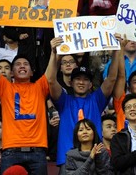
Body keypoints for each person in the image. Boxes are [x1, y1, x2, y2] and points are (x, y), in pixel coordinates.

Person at [48, 36, 119, 173]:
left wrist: (116, 51)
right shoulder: (64, 101)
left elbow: (111, 78)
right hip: (68, 158)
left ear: (91, 84)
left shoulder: (97, 99)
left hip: (96, 157)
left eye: (85, 79)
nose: (81, 82)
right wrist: (54, 53)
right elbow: (50, 80)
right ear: (70, 83)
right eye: (77, 79)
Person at [0, 42, 58, 174]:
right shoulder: (5, 87)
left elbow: (50, 76)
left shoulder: (40, 87)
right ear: (11, 73)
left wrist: (54, 52)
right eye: (17, 64)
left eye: (26, 64)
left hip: (37, 150)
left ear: (32, 72)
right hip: (11, 150)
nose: (22, 66)